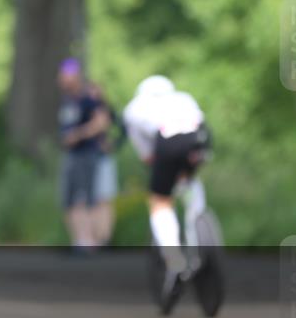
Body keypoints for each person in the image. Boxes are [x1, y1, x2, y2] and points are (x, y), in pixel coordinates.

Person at [123, 75, 211, 305]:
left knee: (160, 201)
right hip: (199, 137)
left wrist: (157, 164)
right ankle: (198, 224)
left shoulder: (134, 108)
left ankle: (175, 261)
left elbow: (147, 154)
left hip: (167, 140)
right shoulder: (183, 98)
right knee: (188, 179)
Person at [56, 59, 111, 251]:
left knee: (86, 198)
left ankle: (90, 242)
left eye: (65, 75)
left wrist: (79, 134)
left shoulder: (87, 98)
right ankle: (80, 240)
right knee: (69, 198)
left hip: (87, 154)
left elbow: (102, 121)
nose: (61, 79)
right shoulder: (67, 100)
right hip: (72, 155)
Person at [87, 80, 121, 246]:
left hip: (102, 158)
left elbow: (122, 129)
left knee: (104, 199)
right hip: (86, 158)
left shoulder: (106, 109)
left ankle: (104, 237)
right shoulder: (83, 108)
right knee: (89, 199)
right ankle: (91, 238)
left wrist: (113, 144)